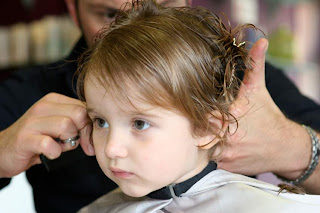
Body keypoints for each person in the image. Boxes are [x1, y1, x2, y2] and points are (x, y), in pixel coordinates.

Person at [0, 0, 319, 212]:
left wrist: (296, 147)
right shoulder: (29, 92)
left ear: (209, 126)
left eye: (139, 123)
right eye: (100, 122)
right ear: (73, 8)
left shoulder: (242, 75)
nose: (111, 149)